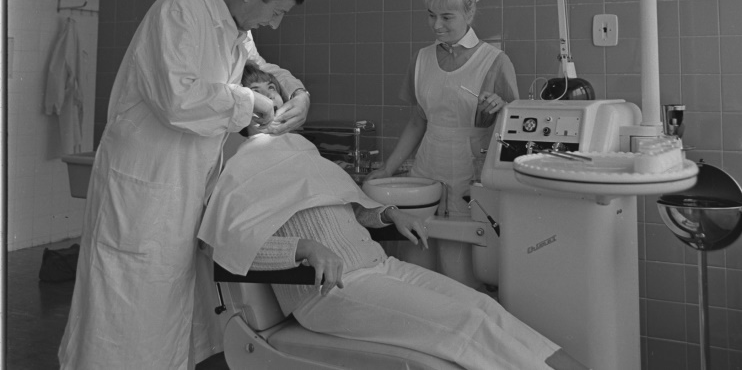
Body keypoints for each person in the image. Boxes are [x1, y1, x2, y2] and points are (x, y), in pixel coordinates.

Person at [197, 65, 587, 370]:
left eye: (271, 89)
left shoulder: (299, 148)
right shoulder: (237, 165)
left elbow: (343, 206)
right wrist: (304, 248)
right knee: (468, 322)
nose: (269, 98)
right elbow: (232, 250)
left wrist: (388, 214)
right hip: (329, 292)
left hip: (378, 267)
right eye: (257, 94)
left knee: (486, 309)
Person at [58, 0, 311, 370]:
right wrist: (250, 103)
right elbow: (177, 99)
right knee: (125, 309)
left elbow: (258, 64)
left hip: (179, 191)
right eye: (276, 12)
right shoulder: (180, 9)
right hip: (142, 189)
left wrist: (297, 92)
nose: (274, 23)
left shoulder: (233, 24)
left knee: (161, 309)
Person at [365, 0, 519, 288]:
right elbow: (417, 121)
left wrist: (501, 109)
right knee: (416, 261)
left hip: (470, 174)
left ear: (469, 13)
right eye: (431, 15)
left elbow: (514, 129)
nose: (436, 25)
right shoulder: (421, 59)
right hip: (426, 172)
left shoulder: (494, 61)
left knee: (460, 267)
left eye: (446, 17)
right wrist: (389, 168)